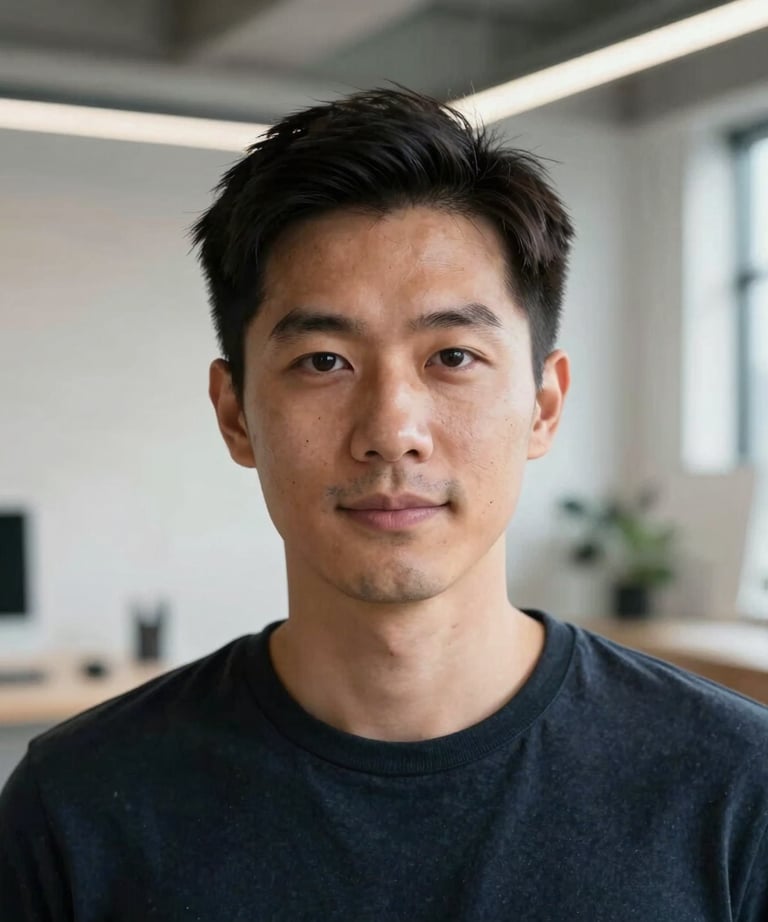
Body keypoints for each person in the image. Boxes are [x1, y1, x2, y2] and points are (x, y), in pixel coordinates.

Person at [1, 87, 767, 921]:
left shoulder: (735, 788)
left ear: (544, 406)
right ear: (236, 414)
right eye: (325, 361)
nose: (392, 431)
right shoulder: (76, 807)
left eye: (453, 355)